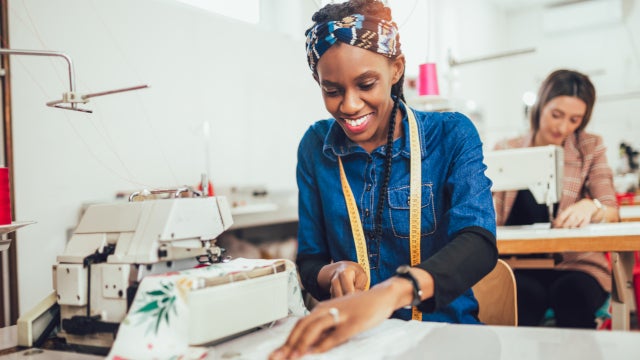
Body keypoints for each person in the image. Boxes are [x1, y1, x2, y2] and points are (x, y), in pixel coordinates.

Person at [270, 1, 497, 358]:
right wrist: (332, 273)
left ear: (396, 69)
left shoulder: (451, 136)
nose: (349, 105)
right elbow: (310, 260)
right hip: (357, 345)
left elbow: (479, 243)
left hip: (445, 340)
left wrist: (390, 293)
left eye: (366, 84)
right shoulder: (315, 148)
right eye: (332, 90)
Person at [493, 69, 620, 328]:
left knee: (571, 295)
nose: (562, 127)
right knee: (521, 300)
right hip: (518, 264)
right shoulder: (506, 151)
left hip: (578, 264)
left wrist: (591, 206)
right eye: (556, 115)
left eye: (574, 119)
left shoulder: (589, 148)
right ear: (540, 106)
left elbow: (611, 209)